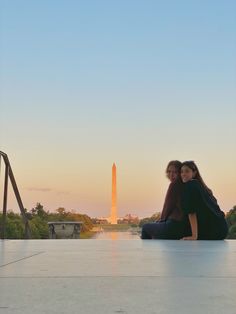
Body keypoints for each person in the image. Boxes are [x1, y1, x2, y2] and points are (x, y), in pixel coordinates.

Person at [180, 161, 228, 240]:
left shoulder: (190, 186)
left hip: (214, 231)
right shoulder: (201, 186)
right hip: (223, 229)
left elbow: (191, 212)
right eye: (181, 172)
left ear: (194, 173)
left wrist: (194, 236)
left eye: (187, 171)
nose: (183, 174)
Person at [141, 160, 186, 239]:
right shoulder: (186, 185)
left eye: (174, 172)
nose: (171, 175)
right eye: (169, 172)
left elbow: (168, 206)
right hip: (183, 227)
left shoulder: (174, 184)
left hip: (174, 226)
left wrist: (161, 220)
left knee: (145, 228)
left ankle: (146, 251)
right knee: (156, 227)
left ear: (180, 173)